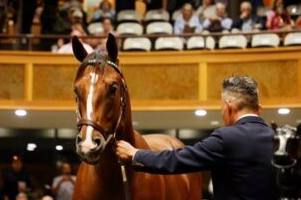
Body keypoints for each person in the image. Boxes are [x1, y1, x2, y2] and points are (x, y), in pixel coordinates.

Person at [115, 75, 279, 200]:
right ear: (259, 109)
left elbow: (176, 160)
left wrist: (135, 154)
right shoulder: (278, 139)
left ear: (228, 107)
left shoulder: (225, 138)